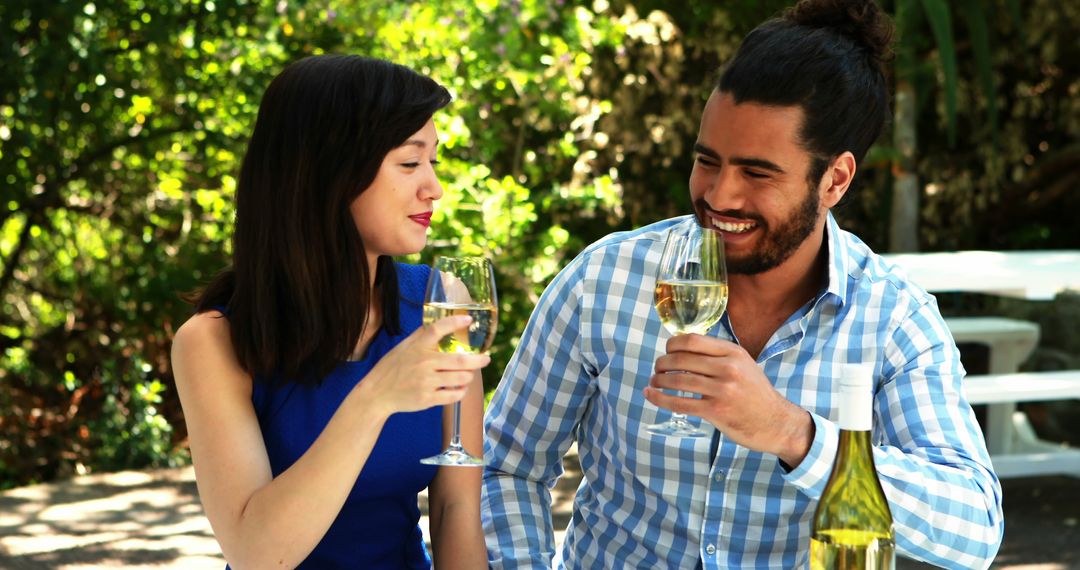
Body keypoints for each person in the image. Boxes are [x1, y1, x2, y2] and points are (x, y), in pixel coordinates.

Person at [482, 1, 1004, 568]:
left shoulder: (892, 317)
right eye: (708, 160)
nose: (719, 195)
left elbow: (972, 530)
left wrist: (793, 434)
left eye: (757, 172)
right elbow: (507, 466)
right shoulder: (603, 280)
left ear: (835, 180)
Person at [171, 55, 489, 569]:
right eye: (409, 163)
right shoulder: (213, 341)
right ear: (331, 171)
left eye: (434, 162)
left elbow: (456, 510)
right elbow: (255, 553)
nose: (434, 187)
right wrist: (375, 397)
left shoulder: (440, 301)